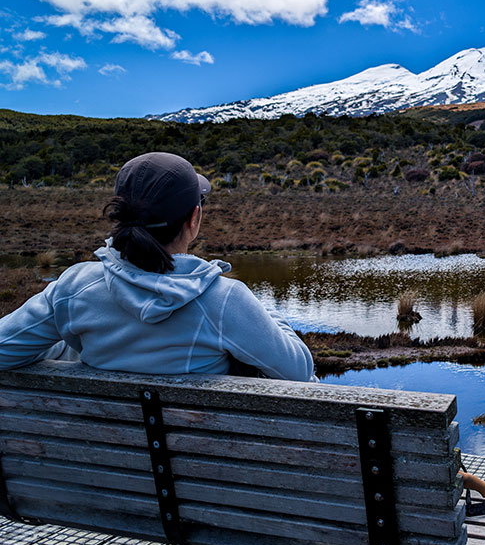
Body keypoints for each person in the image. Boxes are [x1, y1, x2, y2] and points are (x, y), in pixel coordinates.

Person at [0, 152, 315, 381]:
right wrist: (265, 313)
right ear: (194, 219)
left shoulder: (74, 288)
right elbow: (299, 372)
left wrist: (68, 350)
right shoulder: (224, 299)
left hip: (102, 464)